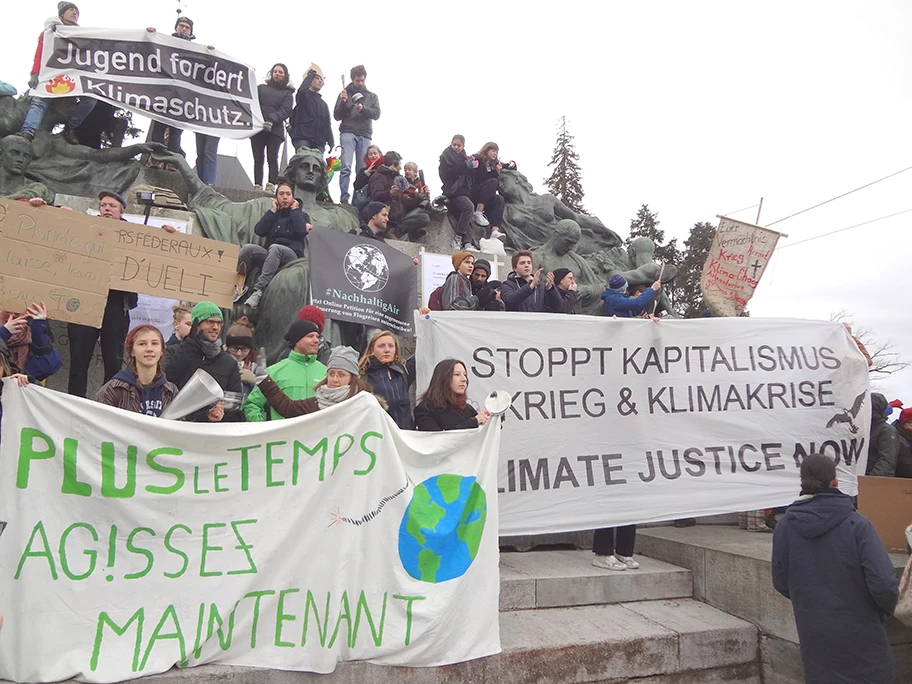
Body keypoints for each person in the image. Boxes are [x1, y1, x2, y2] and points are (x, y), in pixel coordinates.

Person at [772, 453, 898, 684]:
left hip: (814, 631)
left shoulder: (785, 527)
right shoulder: (858, 524)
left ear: (803, 483)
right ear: (835, 481)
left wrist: (811, 601)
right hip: (862, 629)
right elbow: (884, 584)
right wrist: (881, 610)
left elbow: (781, 581)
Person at [67, 191, 140, 397]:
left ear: (121, 211)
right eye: (103, 205)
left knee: (114, 361)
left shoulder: (134, 235)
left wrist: (167, 232)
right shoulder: (87, 228)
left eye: (112, 206)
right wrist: (62, 212)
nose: (106, 209)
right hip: (85, 301)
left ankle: (108, 403)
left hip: (116, 304)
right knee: (79, 360)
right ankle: (75, 402)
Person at [18, 3, 95, 144]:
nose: (74, 13)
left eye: (76, 12)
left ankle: (70, 128)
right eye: (71, 10)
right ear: (61, 15)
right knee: (39, 101)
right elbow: (40, 53)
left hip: (74, 77)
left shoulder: (83, 35)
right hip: (52, 75)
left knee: (90, 99)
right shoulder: (50, 32)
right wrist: (34, 73)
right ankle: (28, 131)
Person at [145, 17, 216, 166]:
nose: (184, 29)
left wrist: (210, 54)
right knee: (159, 127)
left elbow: (204, 69)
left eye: (187, 27)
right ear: (176, 28)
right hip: (163, 93)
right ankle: (156, 159)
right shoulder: (164, 42)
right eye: (181, 26)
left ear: (190, 32)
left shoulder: (195, 50)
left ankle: (172, 162)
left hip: (182, 97)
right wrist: (149, 35)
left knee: (176, 131)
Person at [164, 301, 242, 422]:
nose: (215, 327)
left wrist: (216, 415)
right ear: (196, 324)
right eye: (210, 322)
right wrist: (190, 343)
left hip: (210, 432)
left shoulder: (229, 363)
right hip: (176, 427)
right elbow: (167, 379)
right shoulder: (173, 352)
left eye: (219, 323)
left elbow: (233, 408)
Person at [238, 182, 312, 309]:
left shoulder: (302, 215)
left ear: (293, 198)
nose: (284, 197)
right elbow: (259, 230)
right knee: (247, 249)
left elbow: (301, 230)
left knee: (275, 248)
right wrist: (272, 211)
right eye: (281, 194)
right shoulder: (273, 214)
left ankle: (259, 291)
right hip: (270, 255)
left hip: (291, 256)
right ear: (276, 198)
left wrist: (295, 210)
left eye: (288, 194)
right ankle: (238, 286)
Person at [256, 346, 386, 417]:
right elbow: (288, 408)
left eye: (341, 375)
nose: (335, 379)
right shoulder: (316, 403)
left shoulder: (365, 405)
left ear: (352, 378)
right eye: (331, 374)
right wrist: (264, 381)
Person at [242, 318, 326, 421]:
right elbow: (252, 404)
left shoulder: (327, 372)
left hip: (318, 436)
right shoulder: (274, 371)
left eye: (317, 336)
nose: (316, 340)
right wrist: (263, 430)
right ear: (296, 340)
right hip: (284, 436)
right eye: (310, 336)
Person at [95, 324, 177, 416]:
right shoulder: (113, 389)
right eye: (142, 344)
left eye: (155, 343)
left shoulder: (170, 391)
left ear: (162, 350)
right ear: (132, 351)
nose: (149, 349)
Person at [335, 65, 381, 203]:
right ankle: (344, 198)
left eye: (362, 80)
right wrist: (343, 103)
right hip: (348, 131)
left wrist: (363, 109)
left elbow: (376, 114)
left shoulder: (372, 96)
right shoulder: (344, 94)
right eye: (357, 81)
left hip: (364, 134)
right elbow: (337, 115)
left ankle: (358, 198)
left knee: (362, 169)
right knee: (346, 166)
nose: (360, 83)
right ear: (352, 80)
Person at [359, 330, 415, 430]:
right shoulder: (362, 375)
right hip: (378, 437)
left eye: (391, 346)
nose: (387, 350)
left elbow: (426, 348)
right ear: (371, 350)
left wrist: (425, 319)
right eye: (381, 346)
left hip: (405, 436)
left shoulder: (403, 371)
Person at [368, 151, 429, 241]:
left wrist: (420, 196)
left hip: (399, 219)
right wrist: (390, 193)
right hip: (387, 218)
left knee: (424, 218)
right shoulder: (379, 176)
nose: (401, 167)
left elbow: (404, 203)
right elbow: (376, 195)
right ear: (394, 163)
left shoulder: (396, 178)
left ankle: (395, 232)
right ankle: (390, 231)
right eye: (400, 164)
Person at [414, 359, 491, 431]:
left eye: (465, 374)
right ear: (443, 378)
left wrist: (488, 420)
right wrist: (473, 422)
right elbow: (436, 440)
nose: (464, 379)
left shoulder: (467, 409)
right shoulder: (425, 409)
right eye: (457, 374)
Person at [252, 63, 294, 193]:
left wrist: (272, 119)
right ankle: (257, 185)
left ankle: (271, 185)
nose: (277, 73)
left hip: (275, 130)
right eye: (275, 71)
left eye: (280, 72)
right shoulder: (260, 88)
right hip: (258, 128)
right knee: (258, 158)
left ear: (285, 75)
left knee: (272, 157)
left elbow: (286, 110)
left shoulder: (287, 94)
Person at [0, 302, 61, 382]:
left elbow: (48, 367)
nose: (12, 316)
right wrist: (3, 333)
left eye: (17, 313)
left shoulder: (30, 337)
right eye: (7, 312)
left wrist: (39, 328)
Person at [438, 135, 478, 250]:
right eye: (454, 145)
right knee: (468, 207)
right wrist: (465, 166)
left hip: (465, 190)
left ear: (463, 146)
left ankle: (467, 243)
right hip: (452, 190)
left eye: (458, 145)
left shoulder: (465, 158)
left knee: (467, 216)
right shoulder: (446, 157)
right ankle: (458, 238)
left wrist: (472, 168)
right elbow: (446, 174)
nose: (456, 147)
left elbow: (470, 178)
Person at [289, 63, 333, 154]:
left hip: (319, 141)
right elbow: (301, 91)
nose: (320, 81)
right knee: (303, 164)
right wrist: (309, 76)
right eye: (317, 78)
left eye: (321, 79)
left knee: (317, 166)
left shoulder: (323, 104)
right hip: (303, 137)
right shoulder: (303, 97)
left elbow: (327, 124)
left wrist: (330, 140)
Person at [471, 142, 506, 239]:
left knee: (499, 199)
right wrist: (495, 172)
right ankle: (478, 212)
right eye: (493, 151)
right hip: (474, 191)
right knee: (493, 182)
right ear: (487, 150)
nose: (495, 154)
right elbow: (480, 177)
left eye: (496, 152)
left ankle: (495, 231)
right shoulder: (478, 159)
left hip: (486, 194)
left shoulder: (494, 165)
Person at [225, 317, 265, 396]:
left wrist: (255, 381)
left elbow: (267, 397)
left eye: (244, 349)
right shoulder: (219, 362)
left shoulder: (258, 366)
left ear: (250, 349)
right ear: (227, 347)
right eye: (234, 348)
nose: (239, 353)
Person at [867, 393, 898, 477]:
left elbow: (887, 460)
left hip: (878, 482)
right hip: (862, 479)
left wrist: (870, 479)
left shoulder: (887, 430)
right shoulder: (865, 428)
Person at [892, 406, 912, 478]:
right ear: (903, 423)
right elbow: (906, 465)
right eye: (910, 422)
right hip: (898, 480)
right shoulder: (896, 437)